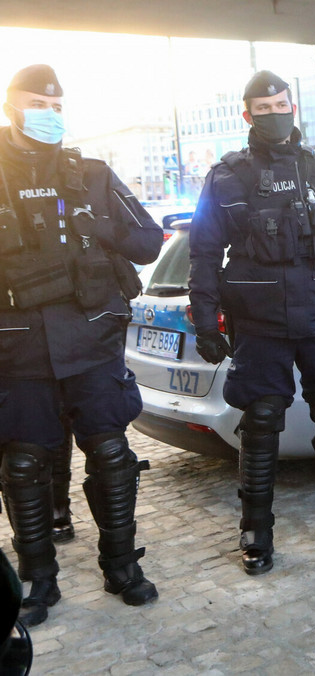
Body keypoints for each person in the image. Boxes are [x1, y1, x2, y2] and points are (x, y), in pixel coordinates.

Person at [189, 70, 315, 576]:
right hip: (259, 322)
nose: (276, 113)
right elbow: (205, 253)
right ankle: (255, 528)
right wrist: (207, 324)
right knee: (260, 421)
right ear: (247, 115)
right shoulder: (227, 178)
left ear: (293, 108)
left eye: (282, 104)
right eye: (264, 108)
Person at [0, 64, 162, 625]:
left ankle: (121, 567)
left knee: (112, 455)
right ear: (10, 107)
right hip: (16, 349)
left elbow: (147, 241)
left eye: (56, 106)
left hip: (91, 341)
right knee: (23, 465)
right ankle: (38, 579)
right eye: (36, 104)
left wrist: (98, 225)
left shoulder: (90, 174)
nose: (48, 115)